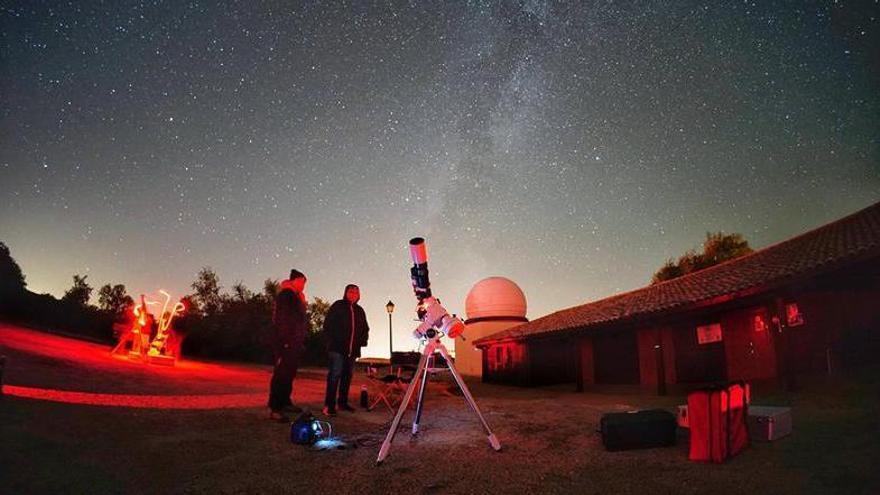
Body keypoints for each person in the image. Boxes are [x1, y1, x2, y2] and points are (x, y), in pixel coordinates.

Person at [267, 269, 309, 422]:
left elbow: (299, 322)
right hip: (285, 341)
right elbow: (283, 319)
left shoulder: (297, 297)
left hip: (294, 342)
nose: (303, 286)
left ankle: (285, 401)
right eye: (302, 282)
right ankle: (275, 408)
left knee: (289, 374)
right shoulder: (286, 295)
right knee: (281, 374)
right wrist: (285, 341)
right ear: (295, 281)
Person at [322, 284, 369, 416]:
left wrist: (362, 342)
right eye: (351, 291)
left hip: (352, 350)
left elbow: (365, 328)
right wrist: (330, 341)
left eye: (356, 292)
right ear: (346, 293)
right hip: (337, 348)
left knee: (347, 377)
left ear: (359, 295)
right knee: (335, 375)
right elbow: (328, 324)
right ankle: (329, 405)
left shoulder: (360, 310)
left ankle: (342, 403)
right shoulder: (338, 306)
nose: (353, 293)